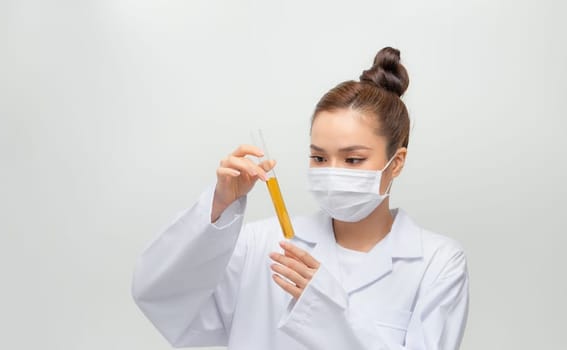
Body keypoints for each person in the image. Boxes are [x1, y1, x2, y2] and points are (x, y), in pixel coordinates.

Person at [132, 47, 469, 349]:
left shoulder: (437, 263)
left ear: (396, 163)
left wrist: (327, 309)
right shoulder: (262, 246)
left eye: (353, 159)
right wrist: (218, 208)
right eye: (319, 158)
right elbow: (161, 297)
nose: (332, 171)